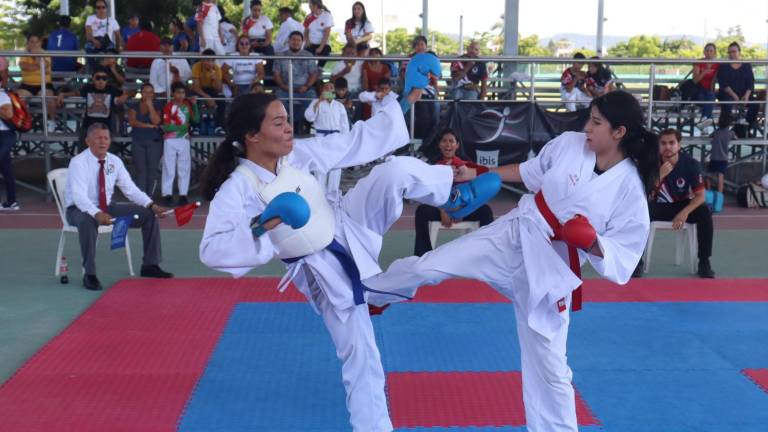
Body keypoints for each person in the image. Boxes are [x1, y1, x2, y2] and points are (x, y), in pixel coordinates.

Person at [364, 90, 658, 432]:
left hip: (552, 269)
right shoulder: (570, 143)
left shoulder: (629, 188)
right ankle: (371, 293)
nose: (588, 128)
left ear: (619, 132)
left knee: (550, 368)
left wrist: (593, 241)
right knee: (429, 265)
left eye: (596, 123)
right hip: (515, 234)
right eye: (589, 120)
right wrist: (476, 173)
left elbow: (625, 250)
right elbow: (530, 170)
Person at [199, 91, 491, 432]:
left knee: (393, 172)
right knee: (362, 357)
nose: (289, 129)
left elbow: (353, 143)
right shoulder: (239, 188)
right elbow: (212, 250)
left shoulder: (295, 155)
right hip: (324, 271)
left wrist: (405, 102)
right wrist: (266, 224)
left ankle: (452, 197)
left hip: (351, 222)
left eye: (287, 120)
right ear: (252, 136)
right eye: (279, 123)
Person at [64, 123, 173, 290]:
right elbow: (79, 197)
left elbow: (130, 189)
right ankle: (90, 274)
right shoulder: (78, 162)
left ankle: (150, 265)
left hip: (107, 207)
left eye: (106, 138)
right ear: (88, 141)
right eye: (98, 138)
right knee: (87, 221)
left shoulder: (114, 161)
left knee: (148, 215)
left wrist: (151, 205)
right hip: (79, 210)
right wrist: (97, 213)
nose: (103, 142)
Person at [636, 128, 715, 279]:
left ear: (679, 145)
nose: (667, 147)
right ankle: (637, 261)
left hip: (682, 205)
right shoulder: (652, 163)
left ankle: (704, 262)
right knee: (639, 212)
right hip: (658, 206)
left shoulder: (691, 164)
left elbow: (700, 196)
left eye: (671, 143)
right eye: (663, 143)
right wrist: (660, 175)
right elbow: (643, 195)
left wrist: (684, 212)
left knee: (704, 212)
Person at [413, 128, 494, 256]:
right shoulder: (433, 166)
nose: (448, 144)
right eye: (444, 141)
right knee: (422, 211)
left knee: (486, 211)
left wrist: (463, 209)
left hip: (463, 207)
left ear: (457, 145)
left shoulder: (467, 165)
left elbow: (474, 191)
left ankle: (486, 253)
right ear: (439, 144)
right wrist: (443, 210)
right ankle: (422, 256)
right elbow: (431, 193)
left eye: (451, 141)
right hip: (442, 209)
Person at [58, 66, 129, 150]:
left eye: (104, 78)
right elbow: (76, 93)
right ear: (93, 79)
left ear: (107, 80)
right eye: (98, 78)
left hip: (105, 127)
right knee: (82, 151)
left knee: (106, 152)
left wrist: (125, 96)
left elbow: (132, 92)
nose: (101, 81)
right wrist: (62, 94)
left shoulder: (112, 89)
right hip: (88, 126)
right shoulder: (88, 88)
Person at [304, 80, 351, 195]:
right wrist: (319, 101)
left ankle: (333, 194)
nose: (328, 90)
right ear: (322, 90)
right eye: (326, 88)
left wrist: (345, 142)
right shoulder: (316, 102)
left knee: (335, 167)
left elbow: (345, 126)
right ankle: (319, 194)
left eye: (331, 88)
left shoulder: (339, 106)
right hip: (321, 139)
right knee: (320, 167)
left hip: (336, 138)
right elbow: (309, 117)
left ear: (334, 91)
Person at [162, 82, 200, 206]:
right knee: (169, 167)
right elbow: (167, 127)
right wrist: (184, 127)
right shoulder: (168, 106)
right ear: (173, 93)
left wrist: (194, 105)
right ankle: (167, 194)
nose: (181, 95)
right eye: (178, 92)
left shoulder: (187, 106)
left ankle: (183, 194)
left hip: (184, 140)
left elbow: (196, 120)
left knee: (184, 168)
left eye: (183, 92)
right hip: (170, 140)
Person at [273, 31, 319, 133]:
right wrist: (284, 86)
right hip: (285, 88)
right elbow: (276, 74)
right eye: (293, 39)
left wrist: (306, 86)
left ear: (302, 42)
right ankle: (292, 124)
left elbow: (314, 74)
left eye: (298, 40)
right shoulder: (280, 55)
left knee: (312, 100)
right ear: (289, 41)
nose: (296, 42)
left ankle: (291, 122)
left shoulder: (309, 55)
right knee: (278, 101)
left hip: (304, 89)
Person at [127, 83, 164, 195]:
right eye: (145, 92)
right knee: (140, 170)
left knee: (152, 169)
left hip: (154, 141)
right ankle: (141, 196)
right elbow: (132, 122)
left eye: (150, 92)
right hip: (138, 140)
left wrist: (150, 106)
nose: (148, 94)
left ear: (153, 94)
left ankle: (150, 196)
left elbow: (156, 121)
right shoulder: (134, 105)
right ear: (141, 93)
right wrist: (148, 126)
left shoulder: (157, 104)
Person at [17, 34, 58, 132]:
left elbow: (45, 65)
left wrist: (36, 57)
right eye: (32, 41)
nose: (34, 44)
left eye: (36, 41)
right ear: (28, 43)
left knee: (50, 98)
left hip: (44, 84)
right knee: (17, 99)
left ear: (40, 43)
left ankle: (52, 121)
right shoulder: (24, 54)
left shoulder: (45, 53)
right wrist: (38, 66)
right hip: (27, 85)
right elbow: (24, 66)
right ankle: (22, 121)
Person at [717, 42, 757, 130]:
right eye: (729, 52)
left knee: (755, 104)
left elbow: (750, 82)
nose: (731, 54)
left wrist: (746, 96)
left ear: (739, 52)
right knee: (727, 103)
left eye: (734, 52)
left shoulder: (746, 65)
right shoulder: (724, 66)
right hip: (728, 94)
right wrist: (735, 97)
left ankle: (743, 129)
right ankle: (725, 130)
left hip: (744, 93)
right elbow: (724, 84)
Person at [191, 49, 226, 134]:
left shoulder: (217, 68)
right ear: (202, 60)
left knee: (222, 99)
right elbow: (195, 87)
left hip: (212, 89)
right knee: (194, 99)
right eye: (207, 60)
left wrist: (216, 79)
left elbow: (219, 89)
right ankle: (195, 127)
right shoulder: (196, 67)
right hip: (199, 89)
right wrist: (207, 97)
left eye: (212, 60)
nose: (210, 63)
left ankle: (219, 126)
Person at [708, 112, 735, 213]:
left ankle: (709, 196)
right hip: (723, 159)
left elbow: (710, 136)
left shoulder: (716, 132)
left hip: (713, 158)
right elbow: (735, 137)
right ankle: (719, 198)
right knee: (720, 178)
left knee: (709, 177)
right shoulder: (730, 133)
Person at [84, 0, 122, 71]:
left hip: (107, 43)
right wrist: (94, 41)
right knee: (88, 51)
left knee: (111, 56)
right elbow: (88, 34)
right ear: (95, 9)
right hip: (93, 41)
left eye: (103, 7)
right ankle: (96, 71)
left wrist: (117, 48)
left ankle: (102, 71)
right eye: (98, 7)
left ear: (106, 9)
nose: (101, 9)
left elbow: (118, 36)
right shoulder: (90, 18)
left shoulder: (112, 21)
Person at [0, 87, 19, 210]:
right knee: (6, 169)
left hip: (5, 134)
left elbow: (8, 114)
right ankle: (11, 201)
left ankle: (11, 201)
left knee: (5, 167)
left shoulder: (3, 96)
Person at [692, 43, 719, 127]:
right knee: (709, 100)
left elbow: (716, 81)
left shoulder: (718, 64)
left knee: (710, 96)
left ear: (715, 53)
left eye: (711, 51)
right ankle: (705, 120)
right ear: (704, 52)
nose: (709, 53)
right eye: (707, 50)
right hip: (699, 89)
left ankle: (703, 122)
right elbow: (695, 81)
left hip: (710, 90)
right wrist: (704, 72)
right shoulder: (699, 62)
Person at [361, 47, 391, 119]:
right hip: (370, 93)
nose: (374, 55)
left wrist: (381, 94)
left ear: (380, 55)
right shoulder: (365, 65)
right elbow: (365, 82)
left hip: (382, 93)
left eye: (376, 53)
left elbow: (386, 83)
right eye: (372, 54)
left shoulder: (385, 67)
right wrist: (370, 95)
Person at [303, 0, 334, 68]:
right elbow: (306, 31)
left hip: (323, 44)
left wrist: (321, 47)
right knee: (305, 55)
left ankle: (319, 70)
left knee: (325, 52)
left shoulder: (327, 15)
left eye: (310, 5)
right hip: (311, 43)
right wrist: (307, 40)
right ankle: (310, 71)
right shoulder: (308, 17)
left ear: (315, 5)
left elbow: (327, 33)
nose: (309, 7)